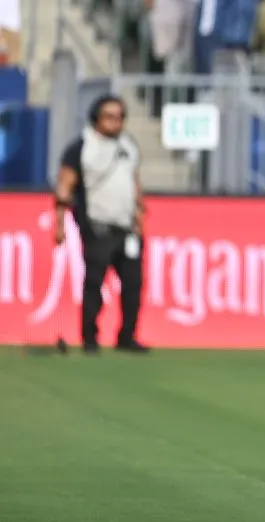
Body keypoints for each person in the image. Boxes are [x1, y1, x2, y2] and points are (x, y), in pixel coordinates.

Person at [54, 94, 150, 354]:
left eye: (120, 117)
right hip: (97, 225)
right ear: (96, 118)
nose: (116, 122)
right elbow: (65, 185)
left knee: (133, 284)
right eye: (109, 116)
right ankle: (90, 337)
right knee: (94, 282)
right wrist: (60, 223)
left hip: (126, 226)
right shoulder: (82, 146)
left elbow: (134, 182)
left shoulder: (128, 145)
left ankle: (127, 336)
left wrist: (140, 216)